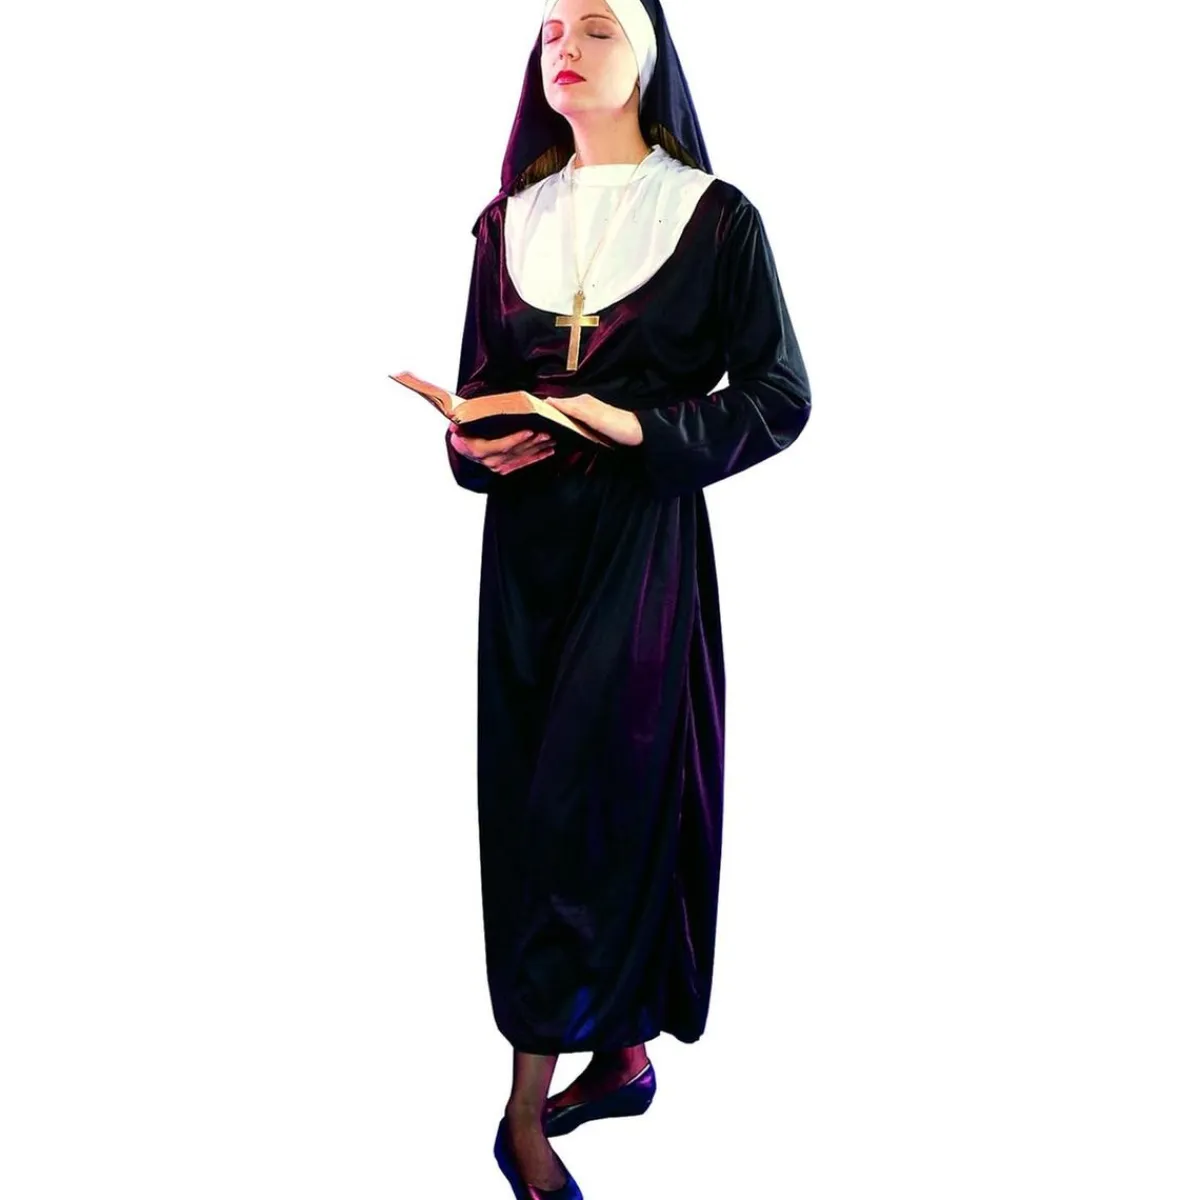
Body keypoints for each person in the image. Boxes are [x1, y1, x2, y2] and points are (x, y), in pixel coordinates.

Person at [442, 0, 811, 1194]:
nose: (566, 45)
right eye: (551, 28)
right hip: (525, 561)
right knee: (528, 807)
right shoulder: (505, 221)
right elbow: (480, 394)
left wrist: (640, 427)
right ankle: (614, 1059)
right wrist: (474, 446)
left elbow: (779, 394)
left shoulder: (714, 217)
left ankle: (525, 1114)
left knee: (610, 798)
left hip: (642, 549)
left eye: (596, 27)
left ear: (646, 59)